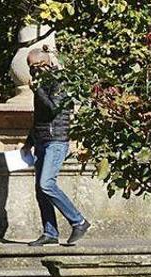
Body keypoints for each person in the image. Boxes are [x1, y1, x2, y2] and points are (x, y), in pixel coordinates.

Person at [22, 48, 91, 247]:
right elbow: (39, 117)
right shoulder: (42, 83)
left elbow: (53, 110)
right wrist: (28, 142)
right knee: (40, 190)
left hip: (56, 140)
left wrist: (37, 90)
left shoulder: (60, 81)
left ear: (44, 63)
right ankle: (50, 232)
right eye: (29, 68)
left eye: (33, 67)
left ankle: (79, 221)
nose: (32, 72)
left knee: (47, 184)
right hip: (42, 141)